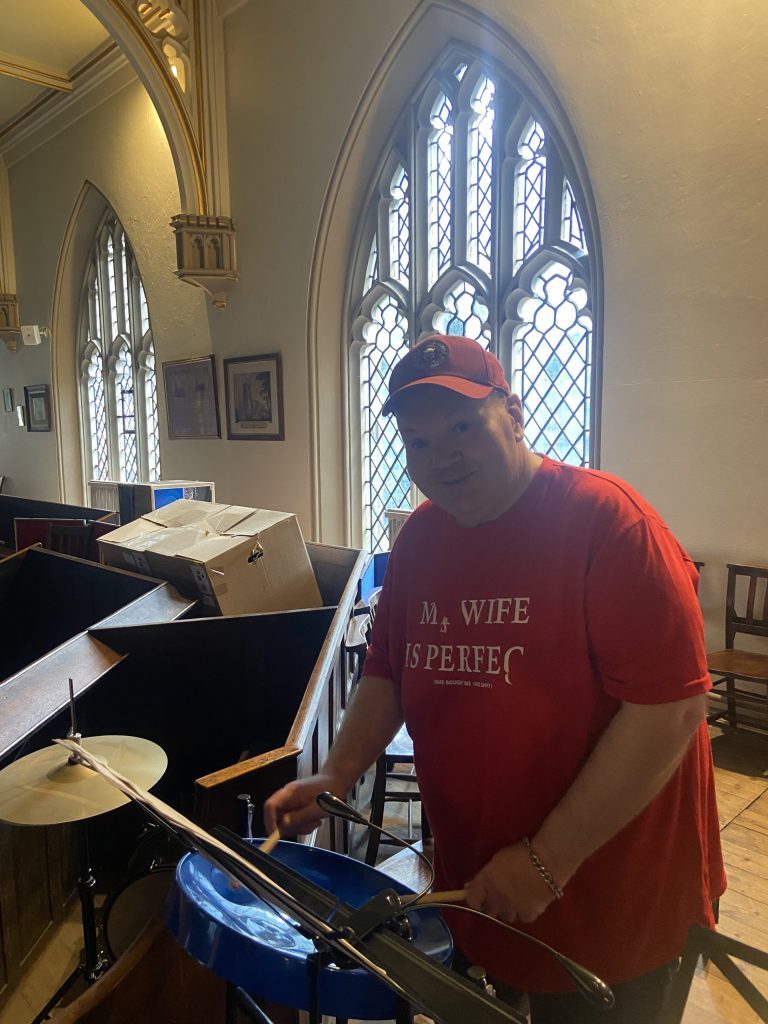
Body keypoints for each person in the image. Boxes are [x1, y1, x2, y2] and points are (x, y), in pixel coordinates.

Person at [265, 334, 725, 1023]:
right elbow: (388, 671)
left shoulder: (611, 524)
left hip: (613, 899)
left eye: (461, 426)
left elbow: (671, 710)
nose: (438, 457)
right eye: (416, 442)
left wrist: (547, 862)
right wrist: (337, 776)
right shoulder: (420, 539)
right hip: (481, 888)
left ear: (513, 413)